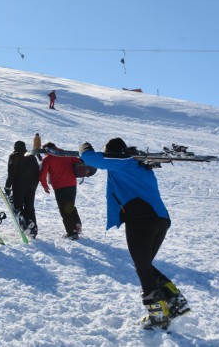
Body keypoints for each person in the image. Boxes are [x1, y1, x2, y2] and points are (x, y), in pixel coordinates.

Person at [79, 138, 190, 330]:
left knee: (143, 267)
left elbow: (90, 159)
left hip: (141, 219)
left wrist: (84, 147)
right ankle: (174, 300)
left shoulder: (122, 161)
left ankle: (158, 315)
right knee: (144, 265)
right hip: (159, 220)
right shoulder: (139, 165)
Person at [39, 142, 83, 240]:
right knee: (70, 206)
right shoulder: (67, 154)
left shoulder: (48, 158)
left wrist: (45, 186)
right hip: (72, 185)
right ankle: (77, 224)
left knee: (64, 209)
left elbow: (42, 174)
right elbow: (79, 162)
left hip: (60, 186)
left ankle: (72, 233)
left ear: (47, 150)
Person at [4, 141, 40, 239]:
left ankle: (27, 223)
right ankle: (33, 229)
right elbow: (38, 171)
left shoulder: (14, 156)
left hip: (19, 185)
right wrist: (34, 185)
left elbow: (11, 173)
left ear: (15, 147)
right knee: (29, 206)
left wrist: (7, 187)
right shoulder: (31, 155)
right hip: (32, 184)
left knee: (17, 206)